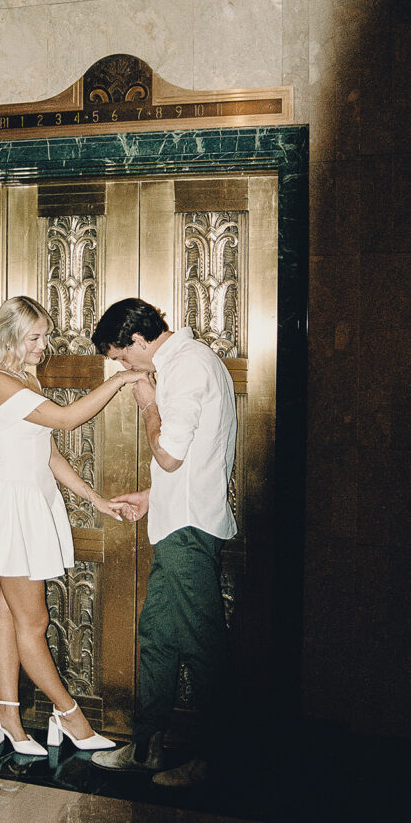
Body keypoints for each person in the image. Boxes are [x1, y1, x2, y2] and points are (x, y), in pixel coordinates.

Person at [0, 295, 147, 756]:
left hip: (30, 502)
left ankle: (7, 713)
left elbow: (48, 452)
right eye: (35, 337)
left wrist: (96, 500)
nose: (45, 344)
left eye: (45, 335)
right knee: (34, 620)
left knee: (10, 612)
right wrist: (122, 378)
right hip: (12, 507)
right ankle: (71, 716)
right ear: (9, 337)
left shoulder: (24, 377)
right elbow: (64, 420)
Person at [90, 298, 237, 787]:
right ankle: (146, 747)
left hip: (190, 532)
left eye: (120, 355)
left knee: (201, 644)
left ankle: (217, 759)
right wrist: (154, 497)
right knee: (157, 636)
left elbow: (172, 455)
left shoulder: (189, 367)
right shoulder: (182, 364)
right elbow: (191, 462)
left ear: (137, 339)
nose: (122, 366)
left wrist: (148, 405)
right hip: (178, 523)